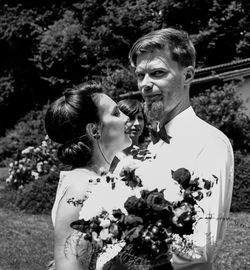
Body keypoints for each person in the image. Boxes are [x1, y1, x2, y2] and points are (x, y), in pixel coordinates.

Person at [128, 28, 234, 270]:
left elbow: (199, 246)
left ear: (187, 76)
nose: (145, 84)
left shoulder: (210, 143)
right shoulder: (153, 144)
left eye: (157, 73)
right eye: (140, 75)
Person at [45, 83, 131, 270]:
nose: (126, 117)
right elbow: (69, 266)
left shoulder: (103, 178)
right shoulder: (81, 189)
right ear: (94, 130)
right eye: (116, 113)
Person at [110, 98, 148, 172]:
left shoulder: (149, 154)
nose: (137, 123)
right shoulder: (110, 159)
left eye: (140, 118)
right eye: (131, 118)